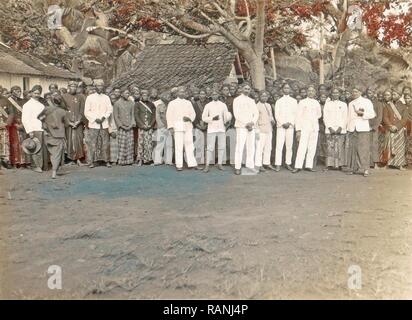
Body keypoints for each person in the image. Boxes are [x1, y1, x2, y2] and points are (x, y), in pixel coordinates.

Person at [346, 86, 376, 177]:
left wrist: (362, 114)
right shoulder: (351, 103)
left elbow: (372, 114)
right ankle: (353, 168)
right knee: (352, 149)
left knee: (364, 149)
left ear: (360, 92)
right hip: (352, 128)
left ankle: (365, 169)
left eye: (356, 91)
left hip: (362, 128)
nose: (354, 93)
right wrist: (348, 128)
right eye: (353, 91)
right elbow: (349, 117)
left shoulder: (366, 101)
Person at [166, 87, 199, 171]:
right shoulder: (172, 103)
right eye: (180, 92)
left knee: (190, 145)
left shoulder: (188, 102)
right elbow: (169, 116)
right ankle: (179, 165)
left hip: (187, 126)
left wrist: (189, 118)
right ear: (177, 93)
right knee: (178, 146)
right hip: (177, 127)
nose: (182, 93)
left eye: (183, 92)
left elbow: (193, 113)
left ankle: (192, 163)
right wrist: (170, 127)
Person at [37, 93, 68, 179]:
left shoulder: (46, 109)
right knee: (57, 154)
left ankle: (55, 169)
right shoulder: (63, 111)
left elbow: (39, 117)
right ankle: (54, 172)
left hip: (47, 134)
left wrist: (46, 122)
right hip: (58, 135)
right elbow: (66, 124)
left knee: (52, 153)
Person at [292, 85, 322, 173]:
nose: (311, 92)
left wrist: (313, 119)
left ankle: (309, 165)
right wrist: (298, 130)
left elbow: (319, 114)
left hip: (314, 127)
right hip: (304, 127)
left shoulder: (316, 102)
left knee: (312, 147)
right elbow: (298, 117)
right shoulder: (302, 102)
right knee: (302, 147)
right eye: (309, 91)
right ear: (307, 92)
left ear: (315, 92)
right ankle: (298, 166)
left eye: (312, 91)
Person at [84, 79, 113, 168]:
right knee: (92, 143)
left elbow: (109, 109)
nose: (100, 87)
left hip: (104, 124)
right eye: (98, 86)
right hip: (93, 124)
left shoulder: (106, 97)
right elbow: (86, 111)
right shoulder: (90, 97)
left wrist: (104, 117)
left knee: (106, 143)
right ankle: (91, 162)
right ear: (95, 87)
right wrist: (95, 119)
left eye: (101, 86)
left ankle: (107, 161)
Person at [202, 89, 232, 173]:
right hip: (211, 128)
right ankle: (207, 165)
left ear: (218, 95)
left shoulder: (223, 105)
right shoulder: (208, 105)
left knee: (221, 146)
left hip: (221, 128)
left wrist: (226, 122)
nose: (214, 95)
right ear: (211, 95)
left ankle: (220, 164)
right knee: (210, 147)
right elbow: (203, 118)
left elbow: (226, 116)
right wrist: (212, 118)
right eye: (213, 94)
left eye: (216, 94)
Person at [233, 83, 259, 175]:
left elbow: (256, 113)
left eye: (248, 89)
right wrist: (246, 124)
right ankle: (237, 167)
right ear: (241, 89)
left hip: (251, 126)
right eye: (245, 88)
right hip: (241, 126)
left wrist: (252, 122)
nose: (247, 90)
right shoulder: (236, 100)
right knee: (240, 146)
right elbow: (236, 114)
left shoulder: (252, 100)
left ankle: (250, 166)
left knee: (251, 146)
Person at [381, 89, 408, 170]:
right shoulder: (388, 106)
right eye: (392, 94)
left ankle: (400, 165)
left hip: (399, 129)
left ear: (399, 96)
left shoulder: (403, 106)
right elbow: (385, 118)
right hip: (390, 129)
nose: (393, 96)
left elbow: (405, 119)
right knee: (388, 146)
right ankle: (387, 164)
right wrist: (390, 126)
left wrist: (397, 126)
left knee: (400, 147)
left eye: (395, 94)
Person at [22, 86, 47, 172]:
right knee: (35, 148)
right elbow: (25, 119)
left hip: (41, 128)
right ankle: (36, 166)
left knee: (42, 148)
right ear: (31, 93)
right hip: (33, 129)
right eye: (35, 93)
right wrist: (30, 131)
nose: (36, 95)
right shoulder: (27, 105)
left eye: (38, 93)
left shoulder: (41, 105)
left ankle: (42, 165)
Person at [274, 83, 298, 172]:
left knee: (289, 146)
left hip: (290, 127)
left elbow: (295, 114)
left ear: (290, 90)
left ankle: (288, 163)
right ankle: (278, 164)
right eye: (285, 88)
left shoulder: (294, 101)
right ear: (282, 89)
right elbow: (277, 114)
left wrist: (290, 123)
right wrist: (283, 123)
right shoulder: (279, 101)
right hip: (281, 126)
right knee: (279, 145)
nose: (287, 89)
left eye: (288, 88)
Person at [61, 81, 86, 165]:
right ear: (68, 87)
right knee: (69, 140)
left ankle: (78, 158)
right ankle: (71, 159)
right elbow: (63, 111)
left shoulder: (81, 97)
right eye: (72, 86)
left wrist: (79, 121)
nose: (73, 88)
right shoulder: (63, 97)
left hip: (78, 122)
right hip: (68, 122)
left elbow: (83, 110)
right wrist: (69, 122)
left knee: (78, 139)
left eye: (75, 86)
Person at [323, 88, 348, 170]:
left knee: (340, 147)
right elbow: (325, 117)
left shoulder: (343, 104)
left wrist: (341, 127)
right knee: (330, 147)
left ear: (339, 94)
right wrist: (329, 127)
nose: (335, 94)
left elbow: (345, 117)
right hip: (330, 129)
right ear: (331, 94)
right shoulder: (327, 104)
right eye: (333, 93)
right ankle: (329, 165)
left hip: (340, 129)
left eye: (337, 93)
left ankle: (340, 165)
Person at [6, 86, 30, 168]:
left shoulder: (23, 101)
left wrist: (23, 123)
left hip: (23, 124)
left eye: (20, 91)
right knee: (15, 143)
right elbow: (7, 115)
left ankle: (24, 162)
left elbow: (26, 113)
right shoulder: (8, 101)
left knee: (24, 142)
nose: (19, 92)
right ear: (12, 91)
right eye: (16, 91)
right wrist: (15, 123)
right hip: (13, 125)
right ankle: (16, 162)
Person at [113, 88, 135, 166]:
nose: (127, 95)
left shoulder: (132, 103)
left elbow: (133, 115)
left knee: (130, 143)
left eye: (128, 93)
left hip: (130, 126)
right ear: (121, 94)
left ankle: (129, 160)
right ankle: (121, 160)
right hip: (122, 127)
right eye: (126, 93)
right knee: (122, 144)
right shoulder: (117, 103)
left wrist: (131, 124)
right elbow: (116, 116)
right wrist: (121, 126)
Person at [255, 91, 276, 172]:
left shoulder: (268, 105)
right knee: (260, 148)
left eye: (266, 96)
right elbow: (256, 120)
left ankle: (266, 163)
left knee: (268, 147)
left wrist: (272, 120)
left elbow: (270, 115)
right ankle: (259, 164)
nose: (264, 97)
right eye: (263, 96)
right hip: (261, 129)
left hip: (269, 128)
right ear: (259, 97)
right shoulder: (257, 106)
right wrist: (257, 131)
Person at [135, 89, 156, 165]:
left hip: (149, 126)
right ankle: (140, 160)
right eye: (143, 95)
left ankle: (148, 159)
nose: (145, 96)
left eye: (146, 95)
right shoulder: (137, 104)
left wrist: (151, 124)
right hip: (141, 126)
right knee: (141, 143)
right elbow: (136, 116)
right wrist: (141, 125)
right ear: (141, 96)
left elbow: (154, 116)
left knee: (149, 143)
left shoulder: (152, 104)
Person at [153, 91, 173, 166]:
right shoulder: (159, 106)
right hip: (161, 128)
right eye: (166, 96)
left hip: (169, 127)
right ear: (163, 97)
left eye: (169, 97)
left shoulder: (171, 105)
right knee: (160, 144)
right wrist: (162, 127)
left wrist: (170, 127)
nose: (168, 98)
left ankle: (168, 161)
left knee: (169, 145)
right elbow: (157, 117)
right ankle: (157, 160)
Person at [366, 87, 384, 169]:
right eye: (368, 93)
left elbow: (380, 117)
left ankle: (375, 163)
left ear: (374, 93)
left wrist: (374, 126)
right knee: (366, 145)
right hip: (366, 126)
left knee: (374, 145)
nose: (369, 94)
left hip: (374, 128)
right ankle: (367, 163)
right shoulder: (365, 102)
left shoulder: (378, 103)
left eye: (371, 92)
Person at [191, 89, 208, 165]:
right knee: (198, 144)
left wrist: (206, 125)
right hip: (198, 126)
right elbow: (193, 116)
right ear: (199, 95)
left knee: (206, 144)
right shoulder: (195, 104)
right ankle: (198, 160)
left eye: (203, 94)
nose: (202, 96)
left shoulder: (209, 104)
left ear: (206, 95)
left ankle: (207, 160)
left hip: (207, 126)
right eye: (200, 94)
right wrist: (198, 125)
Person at [108, 90, 121, 165]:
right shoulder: (109, 109)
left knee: (118, 145)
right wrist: (110, 130)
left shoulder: (118, 107)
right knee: (112, 145)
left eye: (114, 99)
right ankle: (113, 160)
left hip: (118, 128)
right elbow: (108, 121)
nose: (113, 100)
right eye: (111, 99)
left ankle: (118, 159)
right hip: (111, 128)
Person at [0, 95, 12, 169]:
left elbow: (11, 113)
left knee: (5, 143)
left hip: (4, 125)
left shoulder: (6, 100)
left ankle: (5, 161)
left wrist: (6, 123)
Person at [404, 93, 412, 165]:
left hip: (411, 126)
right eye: (406, 98)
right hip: (405, 127)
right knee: (406, 143)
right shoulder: (403, 106)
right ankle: (407, 161)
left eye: (409, 98)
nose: (407, 100)